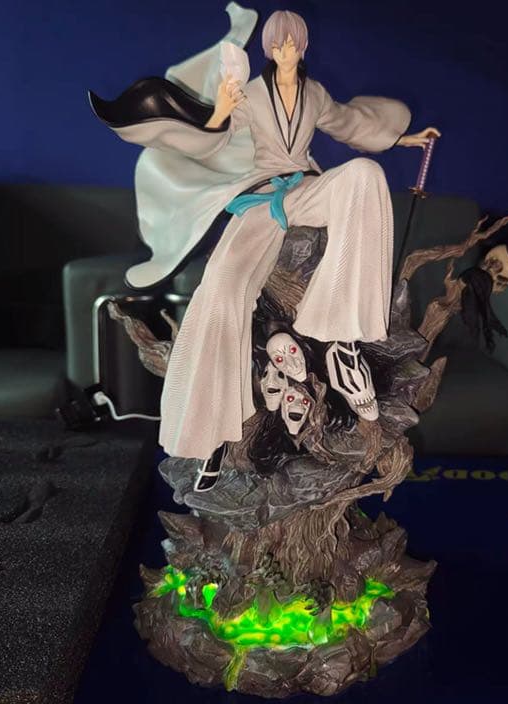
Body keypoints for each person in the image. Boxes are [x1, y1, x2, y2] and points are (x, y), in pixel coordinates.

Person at [90, 8, 440, 491]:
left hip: (307, 189)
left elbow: (349, 124)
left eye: (292, 43)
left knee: (365, 175)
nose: (285, 51)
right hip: (261, 196)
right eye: (277, 44)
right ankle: (211, 435)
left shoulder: (315, 94)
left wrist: (403, 139)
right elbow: (212, 143)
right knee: (221, 292)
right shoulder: (251, 93)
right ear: (268, 48)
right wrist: (220, 109)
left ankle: (339, 339)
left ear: (303, 46)